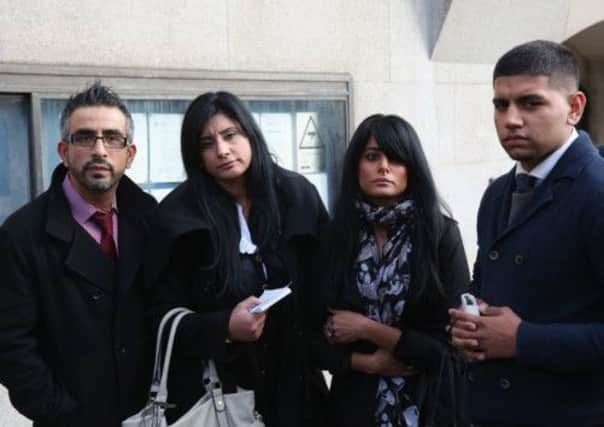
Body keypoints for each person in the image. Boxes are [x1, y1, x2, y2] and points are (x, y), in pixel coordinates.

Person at [146, 91, 329, 426]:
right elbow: (158, 313)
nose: (222, 150)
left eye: (230, 135)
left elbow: (328, 282)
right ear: (196, 155)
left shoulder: (298, 195)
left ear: (250, 133)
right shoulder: (178, 215)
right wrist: (223, 328)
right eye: (207, 143)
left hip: (297, 391)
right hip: (220, 397)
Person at [449, 40, 604, 426]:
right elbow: (488, 286)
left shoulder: (597, 192)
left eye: (531, 103)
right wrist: (469, 324)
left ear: (574, 108)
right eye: (501, 105)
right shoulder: (498, 192)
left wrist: (522, 340)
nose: (511, 119)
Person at [0, 82, 157, 426]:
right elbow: (11, 346)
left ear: (129, 154)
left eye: (112, 138)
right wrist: (63, 414)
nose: (99, 149)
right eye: (85, 137)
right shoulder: (21, 233)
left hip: (147, 415)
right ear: (64, 151)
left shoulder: (151, 220)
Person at [316, 114, 470, 427]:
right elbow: (314, 337)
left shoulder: (440, 235)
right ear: (356, 166)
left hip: (428, 404)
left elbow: (450, 346)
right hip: (354, 407)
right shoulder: (336, 236)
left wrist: (367, 330)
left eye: (396, 158)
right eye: (372, 156)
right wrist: (366, 363)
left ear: (412, 168)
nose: (384, 167)